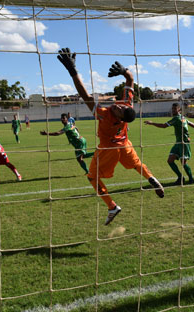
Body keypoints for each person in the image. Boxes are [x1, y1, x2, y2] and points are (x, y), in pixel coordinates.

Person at [57, 47, 164, 226]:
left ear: (120, 118)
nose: (119, 107)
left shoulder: (104, 114)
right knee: (137, 164)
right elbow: (130, 79)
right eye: (122, 107)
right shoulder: (126, 104)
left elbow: (84, 94)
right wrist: (124, 71)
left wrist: (73, 71)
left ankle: (111, 206)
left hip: (108, 148)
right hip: (125, 144)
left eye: (120, 110)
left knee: (92, 177)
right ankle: (151, 178)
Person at [145, 103, 194, 185]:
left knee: (183, 163)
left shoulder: (176, 119)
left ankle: (191, 178)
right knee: (170, 160)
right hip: (178, 143)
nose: (173, 110)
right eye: (172, 109)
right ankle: (181, 178)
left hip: (184, 142)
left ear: (179, 110)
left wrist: (151, 123)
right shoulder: (182, 118)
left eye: (174, 109)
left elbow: (163, 126)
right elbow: (190, 123)